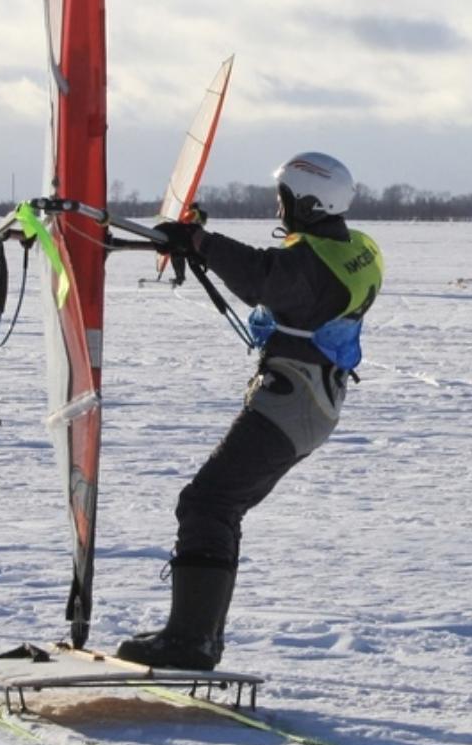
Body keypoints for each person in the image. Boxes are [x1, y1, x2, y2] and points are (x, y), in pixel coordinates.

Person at [119, 151, 383, 671]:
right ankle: (199, 635)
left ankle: (191, 641)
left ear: (307, 201)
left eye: (283, 197)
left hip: (292, 404)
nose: (278, 206)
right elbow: (280, 272)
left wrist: (199, 241)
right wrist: (196, 243)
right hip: (311, 401)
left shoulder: (309, 266)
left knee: (207, 504)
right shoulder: (354, 247)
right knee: (219, 505)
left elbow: (264, 277)